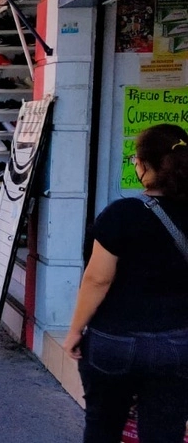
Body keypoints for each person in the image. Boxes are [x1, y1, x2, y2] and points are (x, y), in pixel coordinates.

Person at [63, 124, 188, 442]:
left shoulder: (122, 214)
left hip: (113, 341)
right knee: (164, 432)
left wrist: (76, 331)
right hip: (176, 343)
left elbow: (97, 279)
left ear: (146, 166)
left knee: (102, 427)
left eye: (135, 159)